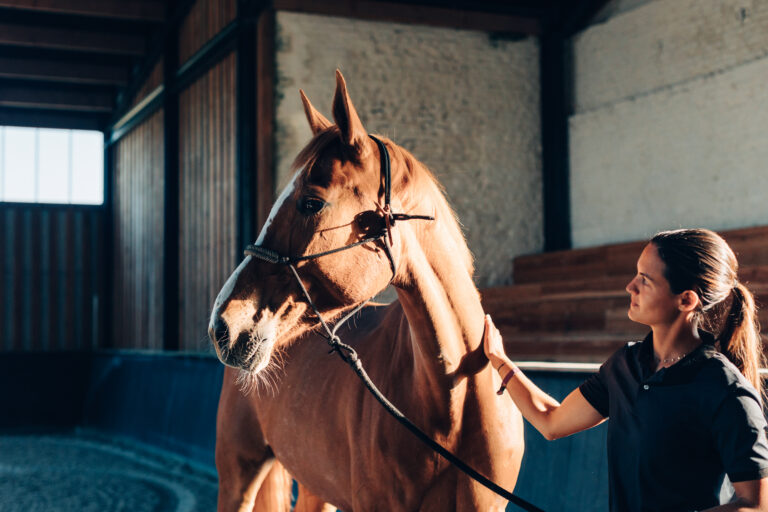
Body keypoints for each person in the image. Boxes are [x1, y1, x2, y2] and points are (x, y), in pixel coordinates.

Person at [484, 228, 768, 511]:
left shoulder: (726, 391)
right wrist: (498, 360)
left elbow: (755, 505)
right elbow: (551, 422)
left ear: (686, 300)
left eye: (645, 280)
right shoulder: (624, 365)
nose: (630, 287)